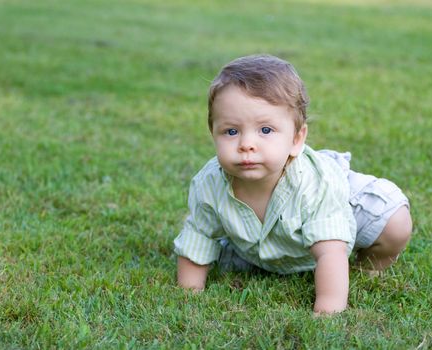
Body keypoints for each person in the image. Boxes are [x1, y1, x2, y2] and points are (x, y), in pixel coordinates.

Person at [174, 54, 412, 314]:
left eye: (265, 130)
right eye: (231, 131)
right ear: (213, 134)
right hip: (267, 243)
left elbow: (332, 250)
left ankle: (369, 267)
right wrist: (189, 297)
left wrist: (327, 313)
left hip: (344, 211)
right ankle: (270, 258)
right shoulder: (209, 182)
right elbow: (198, 236)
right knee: (225, 257)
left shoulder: (315, 184)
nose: (246, 144)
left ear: (297, 139)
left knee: (395, 223)